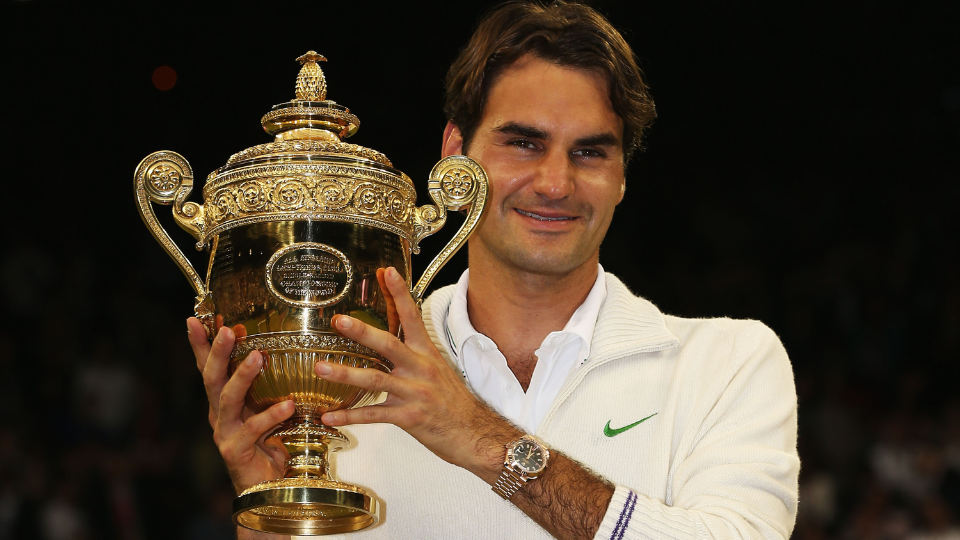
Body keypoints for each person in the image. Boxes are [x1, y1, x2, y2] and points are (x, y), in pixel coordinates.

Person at [187, 2, 800, 539]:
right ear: (456, 153)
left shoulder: (726, 362)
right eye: (524, 143)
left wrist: (482, 439)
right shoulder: (346, 371)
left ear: (620, 177)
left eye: (590, 151)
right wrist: (265, 505)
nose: (556, 183)